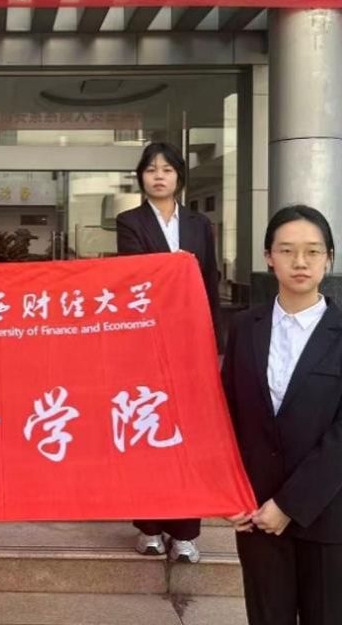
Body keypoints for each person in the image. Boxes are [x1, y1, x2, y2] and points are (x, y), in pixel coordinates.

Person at [222, 205, 342, 625]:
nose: (300, 261)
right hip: (258, 516)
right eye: (287, 250)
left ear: (329, 258)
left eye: (313, 251)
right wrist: (229, 492)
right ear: (268, 257)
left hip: (329, 516)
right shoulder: (244, 329)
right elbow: (226, 416)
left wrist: (289, 505)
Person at [116, 141, 220, 564]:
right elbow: (133, 276)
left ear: (179, 176)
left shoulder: (200, 223)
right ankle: (149, 527)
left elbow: (209, 279)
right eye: (151, 169)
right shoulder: (129, 221)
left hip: (190, 341)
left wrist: (212, 340)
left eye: (167, 169)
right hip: (145, 341)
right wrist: (176, 265)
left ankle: (186, 532)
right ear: (141, 177)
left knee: (187, 435)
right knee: (147, 429)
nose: (159, 176)